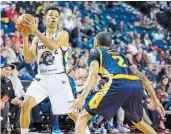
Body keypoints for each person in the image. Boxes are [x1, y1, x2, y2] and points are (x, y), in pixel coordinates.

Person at [71, 32, 165, 134]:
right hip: (135, 84)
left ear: (96, 42)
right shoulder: (121, 55)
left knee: (82, 117)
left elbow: (93, 75)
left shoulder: (96, 53)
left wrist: (82, 97)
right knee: (139, 123)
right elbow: (142, 77)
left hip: (118, 83)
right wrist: (155, 100)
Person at [19, 6, 78, 134]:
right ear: (44, 19)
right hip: (42, 78)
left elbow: (52, 46)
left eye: (56, 16)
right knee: (26, 104)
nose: (53, 17)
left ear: (58, 20)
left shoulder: (63, 34)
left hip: (58, 77)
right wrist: (25, 37)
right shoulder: (36, 38)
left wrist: (35, 31)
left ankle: (86, 131)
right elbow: (28, 59)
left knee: (72, 113)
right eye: (50, 15)